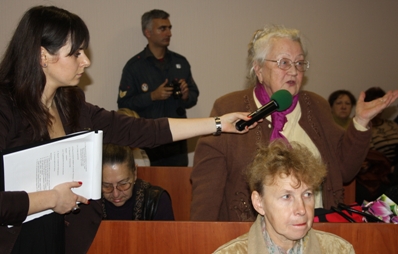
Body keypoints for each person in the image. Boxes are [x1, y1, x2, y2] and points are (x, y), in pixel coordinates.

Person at [0, 6, 255, 254]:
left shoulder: (69, 103)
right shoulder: (5, 107)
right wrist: (52, 199)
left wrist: (219, 123)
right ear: (43, 55)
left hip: (61, 236)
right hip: (16, 240)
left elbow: (142, 130)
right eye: (76, 53)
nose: (86, 61)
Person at [190, 24, 398, 222]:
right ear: (259, 69)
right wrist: (202, 239)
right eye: (284, 62)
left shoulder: (315, 106)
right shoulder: (228, 107)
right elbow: (208, 187)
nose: (294, 71)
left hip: (314, 230)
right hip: (250, 236)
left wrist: (361, 121)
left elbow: (345, 170)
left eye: (299, 63)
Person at [213, 140, 355, 254]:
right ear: (258, 203)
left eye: (307, 194)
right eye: (287, 196)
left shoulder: (339, 250)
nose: (302, 210)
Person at [117, 9, 199, 167]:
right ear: (147, 32)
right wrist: (152, 96)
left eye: (169, 28)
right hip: (148, 139)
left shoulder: (180, 62)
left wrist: (186, 95)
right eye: (162, 28)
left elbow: (193, 96)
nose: (168, 33)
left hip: (177, 138)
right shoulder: (134, 67)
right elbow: (123, 104)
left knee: (178, 186)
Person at [102, 144, 174, 220]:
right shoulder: (92, 203)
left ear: (135, 172)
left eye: (123, 184)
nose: (115, 194)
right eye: (107, 186)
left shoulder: (156, 201)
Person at [355, 87, 398, 203]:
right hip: (380, 167)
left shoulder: (392, 125)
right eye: (376, 103)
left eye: (382, 103)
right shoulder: (365, 126)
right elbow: (370, 154)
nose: (380, 107)